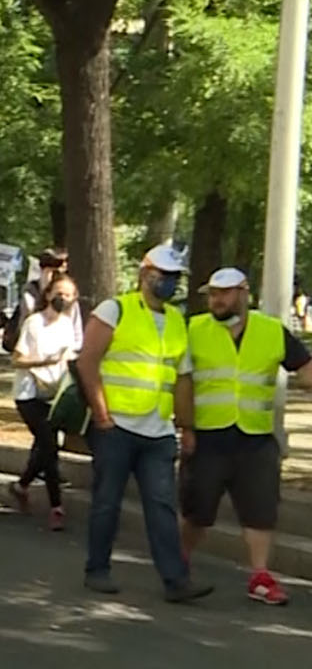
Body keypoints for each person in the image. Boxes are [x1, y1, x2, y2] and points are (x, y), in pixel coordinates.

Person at [74, 242, 212, 602]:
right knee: (107, 500)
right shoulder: (115, 309)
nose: (167, 282)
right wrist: (102, 413)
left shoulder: (176, 322)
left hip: (158, 430)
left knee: (162, 505)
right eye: (161, 275)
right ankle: (97, 569)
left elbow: (181, 377)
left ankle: (176, 581)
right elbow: (88, 362)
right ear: (144, 274)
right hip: (116, 425)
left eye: (173, 277)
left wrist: (186, 426)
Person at [178, 267, 312, 605]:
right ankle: (179, 561)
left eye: (223, 293)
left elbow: (305, 368)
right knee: (198, 509)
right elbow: (182, 381)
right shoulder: (194, 329)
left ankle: (260, 576)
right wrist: (187, 426)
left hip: (255, 437)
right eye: (212, 293)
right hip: (207, 437)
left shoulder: (270, 331)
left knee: (261, 509)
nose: (217, 300)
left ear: (242, 293)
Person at [8, 272, 81, 531]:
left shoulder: (67, 325)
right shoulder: (34, 323)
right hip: (29, 394)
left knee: (46, 444)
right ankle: (56, 507)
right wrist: (44, 362)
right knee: (49, 445)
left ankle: (21, 485)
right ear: (48, 294)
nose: (63, 298)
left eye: (69, 295)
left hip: (55, 394)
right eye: (59, 293)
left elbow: (70, 358)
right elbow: (16, 359)